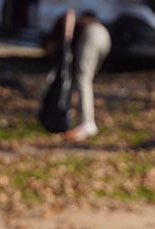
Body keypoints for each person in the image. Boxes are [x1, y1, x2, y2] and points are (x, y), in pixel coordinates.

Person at [43, 9, 112, 142]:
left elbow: (69, 15)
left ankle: (87, 122)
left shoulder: (57, 30)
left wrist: (67, 34)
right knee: (84, 79)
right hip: (105, 35)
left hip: (92, 34)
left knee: (83, 78)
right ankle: (80, 117)